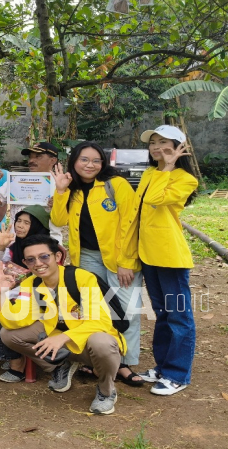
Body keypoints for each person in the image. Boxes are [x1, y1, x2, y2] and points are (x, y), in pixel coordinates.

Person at [0, 235, 127, 415]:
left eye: (44, 256)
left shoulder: (81, 278)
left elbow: (100, 320)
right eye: (31, 260)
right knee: (8, 334)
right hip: (59, 342)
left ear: (58, 257)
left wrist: (63, 338)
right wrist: (1, 294)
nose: (38, 263)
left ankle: (106, 391)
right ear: (25, 263)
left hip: (89, 343)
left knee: (102, 342)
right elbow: (16, 320)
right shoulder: (31, 283)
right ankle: (59, 365)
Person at [50, 141, 143, 386]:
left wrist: (126, 262)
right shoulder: (73, 189)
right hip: (87, 258)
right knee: (94, 311)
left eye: (96, 160)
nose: (90, 165)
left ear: (103, 163)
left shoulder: (116, 185)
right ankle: (100, 360)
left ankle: (126, 363)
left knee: (128, 310)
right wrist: (60, 191)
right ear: (74, 162)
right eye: (84, 160)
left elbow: (131, 223)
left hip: (119, 257)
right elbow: (59, 220)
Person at [127, 125, 198, 396]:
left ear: (179, 147)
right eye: (153, 142)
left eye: (163, 142)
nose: (156, 147)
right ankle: (162, 367)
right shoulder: (149, 173)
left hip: (170, 256)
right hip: (148, 254)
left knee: (179, 316)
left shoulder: (184, 179)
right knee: (162, 314)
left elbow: (156, 199)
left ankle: (177, 374)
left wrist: (167, 169)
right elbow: (137, 209)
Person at [0, 205, 55, 381]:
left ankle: (17, 362)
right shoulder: (15, 245)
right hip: (9, 292)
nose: (19, 226)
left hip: (35, 298)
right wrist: (0, 246)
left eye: (26, 223)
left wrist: (2, 296)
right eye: (18, 221)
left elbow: (36, 284)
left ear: (37, 225)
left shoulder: (44, 250)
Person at [0, 141, 62, 242]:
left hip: (48, 243)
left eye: (38, 156)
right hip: (16, 242)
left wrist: (59, 203)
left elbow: (69, 217)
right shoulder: (17, 180)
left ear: (53, 160)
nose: (31, 160)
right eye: (30, 157)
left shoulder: (61, 184)